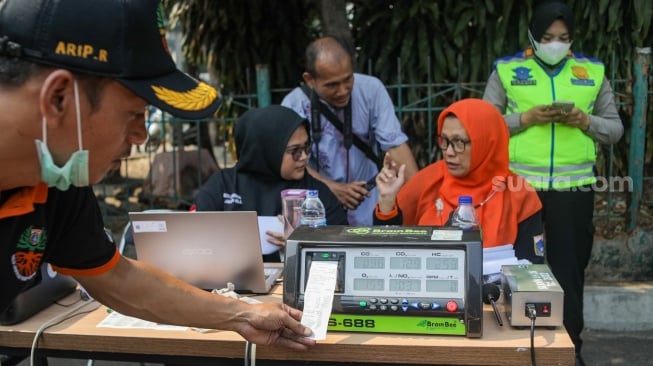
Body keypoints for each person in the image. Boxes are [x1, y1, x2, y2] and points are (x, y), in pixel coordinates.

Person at [0, 0, 314, 351]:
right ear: (59, 97)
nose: (141, 136)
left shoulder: (56, 185)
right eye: (135, 114)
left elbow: (116, 278)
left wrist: (243, 315)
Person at [482, 1, 624, 364]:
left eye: (563, 37)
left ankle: (570, 351)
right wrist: (524, 118)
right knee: (519, 270)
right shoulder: (509, 70)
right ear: (533, 36)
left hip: (573, 192)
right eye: (547, 37)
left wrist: (584, 121)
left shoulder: (592, 71)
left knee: (568, 274)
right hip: (519, 190)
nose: (555, 43)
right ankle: (514, 351)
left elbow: (616, 129)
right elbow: (484, 124)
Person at [374, 98, 544, 264]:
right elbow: (385, 249)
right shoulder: (427, 181)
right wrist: (387, 203)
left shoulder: (519, 195)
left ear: (487, 141)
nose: (448, 151)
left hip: (495, 292)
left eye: (458, 142)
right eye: (444, 141)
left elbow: (530, 269)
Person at [281, 36, 418, 226]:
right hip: (316, 209)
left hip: (368, 204)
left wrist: (420, 199)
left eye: (348, 79)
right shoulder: (293, 104)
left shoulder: (372, 90)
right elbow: (290, 161)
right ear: (310, 80)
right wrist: (332, 188)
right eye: (332, 85)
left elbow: (396, 147)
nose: (343, 90)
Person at [192, 105, 348, 261]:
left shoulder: (314, 193)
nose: (304, 157)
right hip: (229, 282)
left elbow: (344, 247)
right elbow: (194, 242)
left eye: (307, 147)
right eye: (295, 151)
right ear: (266, 150)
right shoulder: (224, 185)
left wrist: (301, 247)